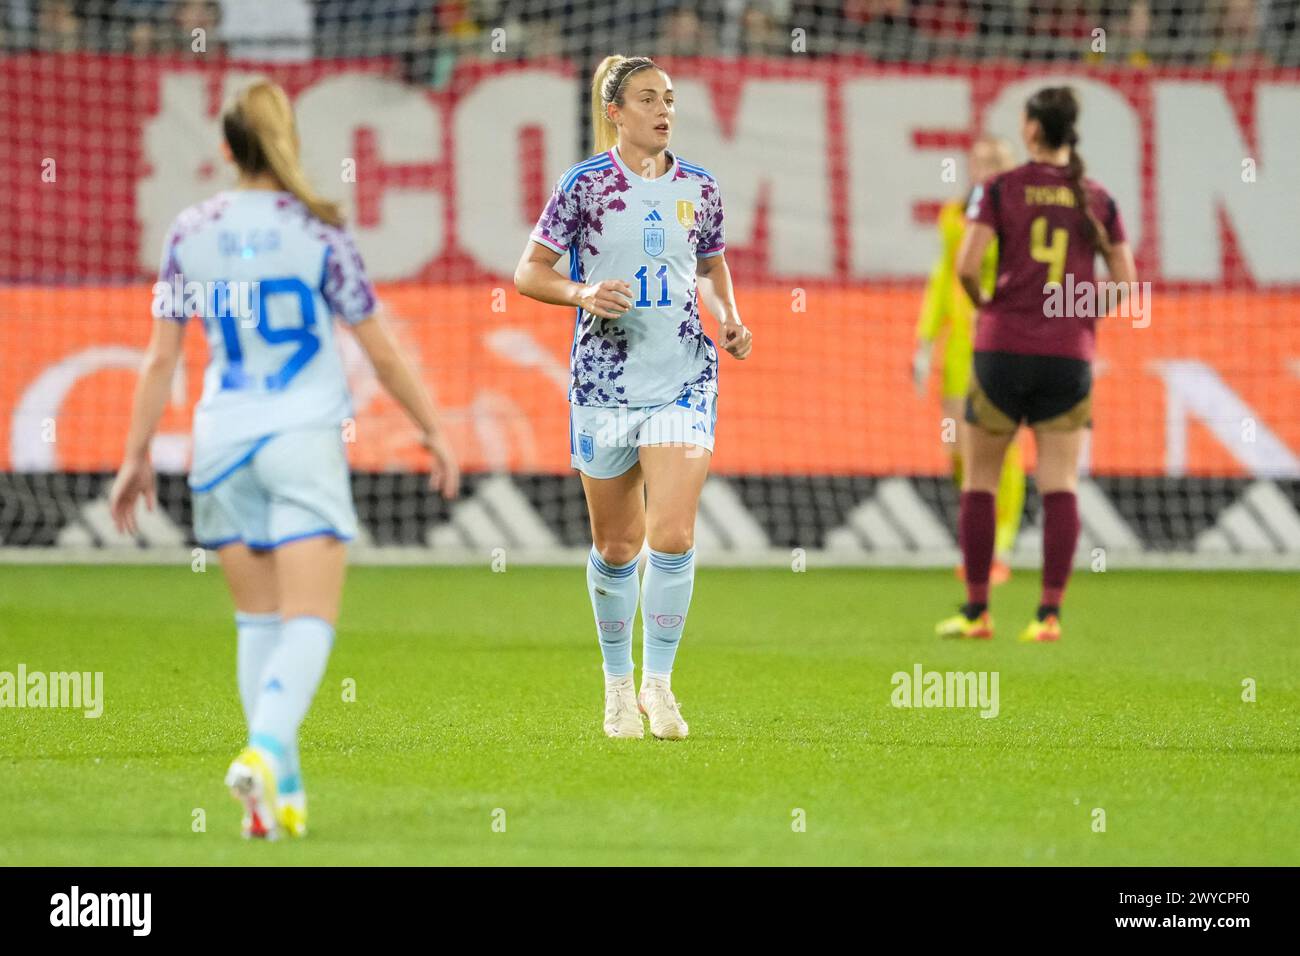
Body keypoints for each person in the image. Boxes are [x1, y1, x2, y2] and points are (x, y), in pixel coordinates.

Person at [110, 79, 459, 838]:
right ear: (283, 141)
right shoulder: (320, 231)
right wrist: (432, 427)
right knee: (309, 620)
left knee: (256, 623)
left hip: (220, 443)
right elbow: (381, 351)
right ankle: (265, 752)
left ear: (225, 149)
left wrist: (137, 454)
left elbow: (159, 361)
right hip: (300, 440)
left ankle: (277, 802)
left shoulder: (189, 230)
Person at [514, 55, 752, 739]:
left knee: (672, 534)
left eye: (669, 98)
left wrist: (729, 315)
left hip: (682, 375)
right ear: (615, 111)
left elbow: (710, 265)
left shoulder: (700, 188)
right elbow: (530, 272)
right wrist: (583, 292)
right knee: (617, 547)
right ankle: (617, 685)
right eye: (647, 98)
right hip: (603, 383)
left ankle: (660, 686)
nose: (663, 109)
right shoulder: (585, 186)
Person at [936, 86, 1137, 643]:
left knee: (980, 479)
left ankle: (977, 611)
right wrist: (1078, 315)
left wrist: (989, 310)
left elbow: (968, 265)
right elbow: (1126, 284)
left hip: (1001, 351)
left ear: (1029, 130)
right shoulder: (1097, 197)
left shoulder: (1001, 189)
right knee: (1060, 483)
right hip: (1067, 358)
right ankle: (1048, 615)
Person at [913, 135, 1023, 585]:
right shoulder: (954, 216)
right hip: (961, 348)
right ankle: (978, 536)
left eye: (995, 161)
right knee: (958, 449)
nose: (985, 167)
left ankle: (1001, 544)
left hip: (1005, 342)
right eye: (979, 160)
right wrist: (923, 343)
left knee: (1000, 445)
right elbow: (943, 279)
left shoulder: (1019, 217)